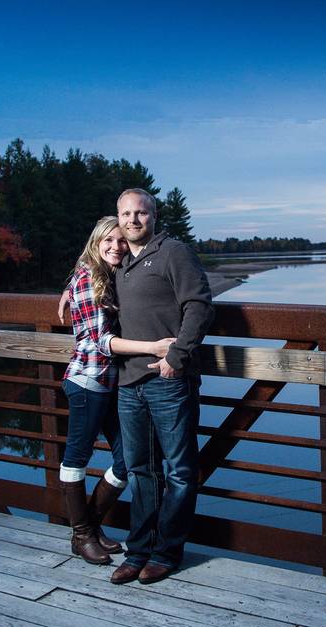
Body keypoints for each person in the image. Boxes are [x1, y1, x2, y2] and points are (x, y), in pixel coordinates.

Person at [108, 188, 215, 585]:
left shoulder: (173, 252)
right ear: (118, 218)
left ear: (153, 217)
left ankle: (166, 553)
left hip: (168, 382)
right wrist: (70, 288)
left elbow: (199, 305)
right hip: (129, 382)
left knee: (181, 471)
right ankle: (137, 552)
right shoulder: (120, 262)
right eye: (125, 213)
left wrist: (177, 357)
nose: (133, 220)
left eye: (140, 213)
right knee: (140, 471)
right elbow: (90, 275)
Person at [57, 216, 175, 565]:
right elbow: (101, 341)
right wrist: (153, 348)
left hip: (111, 385)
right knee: (76, 458)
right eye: (108, 240)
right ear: (96, 242)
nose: (116, 246)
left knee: (127, 459)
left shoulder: (110, 274)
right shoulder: (87, 279)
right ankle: (82, 535)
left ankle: (89, 529)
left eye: (122, 240)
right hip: (87, 382)